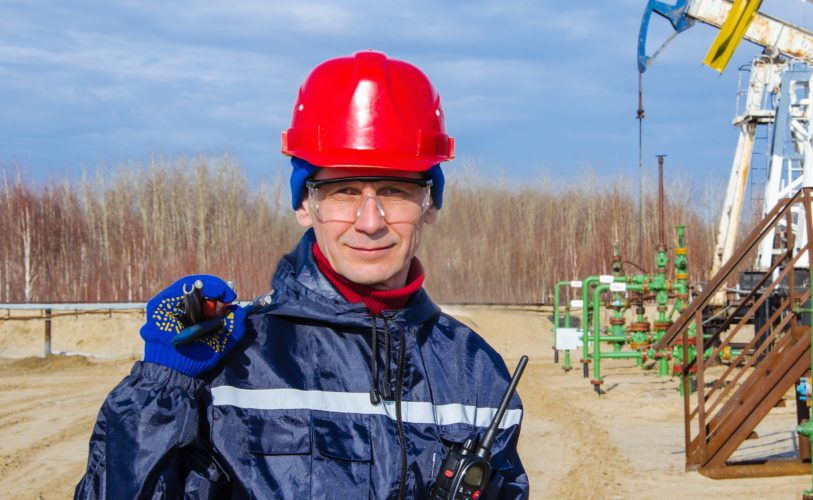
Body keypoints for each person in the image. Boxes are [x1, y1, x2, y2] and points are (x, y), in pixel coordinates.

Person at [75, 50, 528, 499]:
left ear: (429, 205)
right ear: (305, 206)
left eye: (395, 190)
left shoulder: (479, 378)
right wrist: (161, 390)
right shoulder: (235, 362)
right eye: (344, 191)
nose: (371, 221)